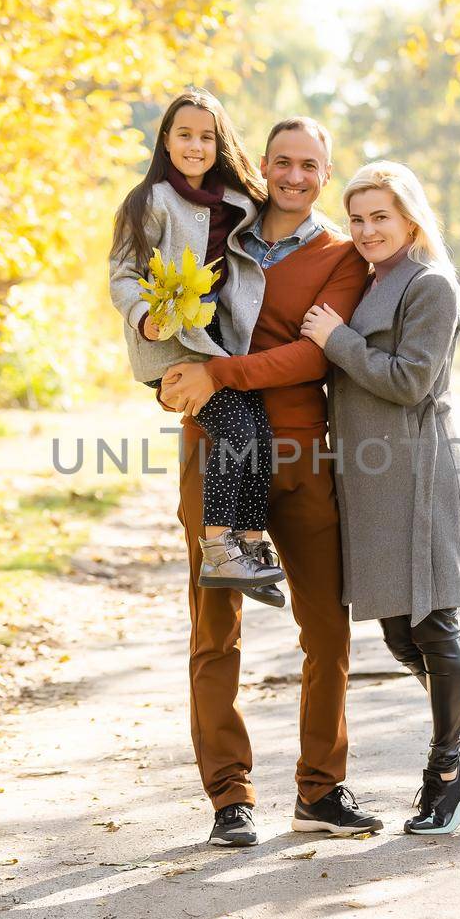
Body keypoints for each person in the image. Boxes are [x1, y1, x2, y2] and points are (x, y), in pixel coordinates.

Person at [158, 117, 381, 847]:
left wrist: (217, 371)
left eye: (308, 165)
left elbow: (312, 360)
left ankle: (320, 789)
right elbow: (166, 317)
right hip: (216, 450)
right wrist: (170, 378)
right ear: (262, 164)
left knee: (326, 630)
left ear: (325, 171)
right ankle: (229, 797)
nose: (292, 175)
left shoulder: (343, 257)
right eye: (281, 161)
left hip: (301, 455)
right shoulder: (219, 236)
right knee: (215, 629)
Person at [300, 161, 460, 835]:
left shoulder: (430, 285)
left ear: (409, 219)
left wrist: (335, 339)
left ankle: (444, 774)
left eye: (381, 216)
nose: (367, 229)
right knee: (401, 633)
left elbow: (409, 381)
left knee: (433, 626)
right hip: (368, 479)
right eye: (358, 218)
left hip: (416, 475)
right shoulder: (363, 280)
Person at [109, 89, 285, 602]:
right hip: (166, 344)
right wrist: (145, 318)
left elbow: (282, 211)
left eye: (206, 137)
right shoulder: (149, 201)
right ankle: (218, 547)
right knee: (233, 427)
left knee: (257, 427)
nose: (195, 145)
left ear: (219, 144)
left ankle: (250, 543)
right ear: (166, 141)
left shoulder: (237, 202)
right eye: (184, 135)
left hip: (214, 344)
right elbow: (122, 275)